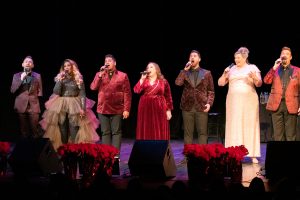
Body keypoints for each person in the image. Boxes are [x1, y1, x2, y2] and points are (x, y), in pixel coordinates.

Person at [40, 59, 99, 150]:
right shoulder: (61, 78)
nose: (66, 67)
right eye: (65, 66)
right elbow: (56, 92)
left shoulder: (78, 78)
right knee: (62, 126)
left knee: (73, 126)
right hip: (61, 103)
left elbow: (82, 94)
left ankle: (74, 149)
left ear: (73, 67)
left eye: (69, 65)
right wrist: (60, 80)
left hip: (75, 103)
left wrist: (82, 108)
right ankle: (64, 149)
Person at [218, 47, 262, 164]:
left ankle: (252, 153)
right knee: (234, 125)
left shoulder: (252, 68)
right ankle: (233, 153)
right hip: (233, 103)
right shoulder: (231, 69)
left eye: (238, 58)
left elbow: (259, 84)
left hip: (249, 102)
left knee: (249, 125)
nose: (236, 60)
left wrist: (255, 78)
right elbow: (220, 83)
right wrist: (224, 73)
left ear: (244, 58)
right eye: (235, 58)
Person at [90, 54, 132, 158]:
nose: (107, 62)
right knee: (105, 132)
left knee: (116, 132)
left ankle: (115, 156)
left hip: (117, 108)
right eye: (106, 61)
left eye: (109, 60)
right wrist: (100, 75)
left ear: (115, 63)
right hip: (103, 108)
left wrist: (126, 109)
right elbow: (93, 87)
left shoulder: (123, 75)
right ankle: (105, 156)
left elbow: (127, 93)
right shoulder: (100, 74)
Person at [175, 49, 215, 145]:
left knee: (202, 133)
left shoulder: (206, 73)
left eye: (194, 56)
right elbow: (178, 83)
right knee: (188, 133)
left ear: (199, 59)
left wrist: (209, 103)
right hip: (187, 106)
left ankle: (202, 156)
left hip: (202, 106)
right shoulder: (184, 72)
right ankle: (188, 157)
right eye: (191, 56)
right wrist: (184, 71)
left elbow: (211, 91)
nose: (192, 57)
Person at [263, 46, 300, 141]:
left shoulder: (297, 70)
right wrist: (274, 68)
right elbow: (266, 81)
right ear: (280, 56)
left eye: (287, 54)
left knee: (290, 136)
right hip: (277, 105)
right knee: (277, 136)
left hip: (291, 104)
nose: (284, 55)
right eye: (282, 54)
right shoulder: (275, 70)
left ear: (291, 57)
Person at [133, 62, 173, 140]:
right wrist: (142, 79)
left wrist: (168, 110)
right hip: (145, 107)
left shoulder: (163, 81)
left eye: (151, 67)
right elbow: (136, 90)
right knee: (146, 126)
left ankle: (159, 147)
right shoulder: (144, 80)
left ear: (156, 70)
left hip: (159, 107)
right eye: (147, 67)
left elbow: (168, 96)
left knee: (159, 126)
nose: (148, 69)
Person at [10, 55, 43, 139]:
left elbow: (40, 90)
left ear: (33, 65)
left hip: (33, 105)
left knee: (35, 128)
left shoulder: (37, 75)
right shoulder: (16, 76)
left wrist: (36, 98)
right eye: (26, 61)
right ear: (22, 64)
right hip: (21, 105)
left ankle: (36, 147)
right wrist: (21, 79)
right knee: (23, 130)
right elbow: (13, 90)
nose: (28, 63)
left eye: (30, 62)